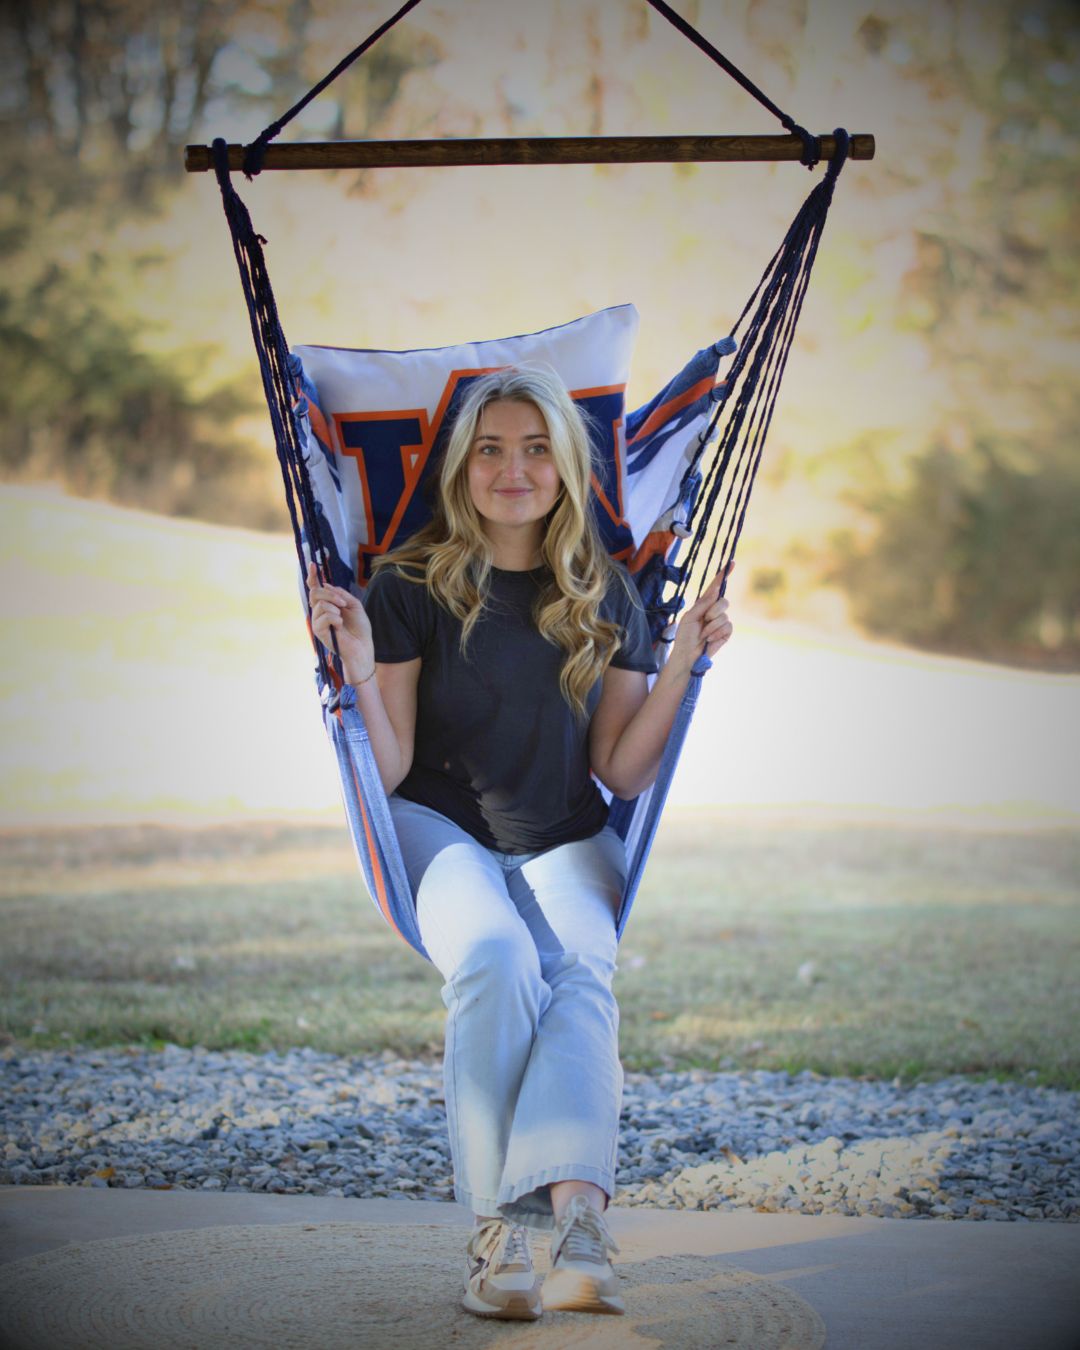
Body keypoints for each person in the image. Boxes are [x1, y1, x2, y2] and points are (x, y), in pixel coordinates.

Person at [306, 366, 732, 1321]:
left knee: (582, 965)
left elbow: (622, 773)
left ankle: (580, 1226)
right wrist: (362, 673)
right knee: (495, 956)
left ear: (566, 467)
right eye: (491, 448)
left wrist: (682, 663)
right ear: (462, 465)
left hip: (562, 835)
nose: (513, 469)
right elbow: (389, 762)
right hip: (437, 827)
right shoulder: (408, 584)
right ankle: (504, 1231)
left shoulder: (608, 594)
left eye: (537, 448)